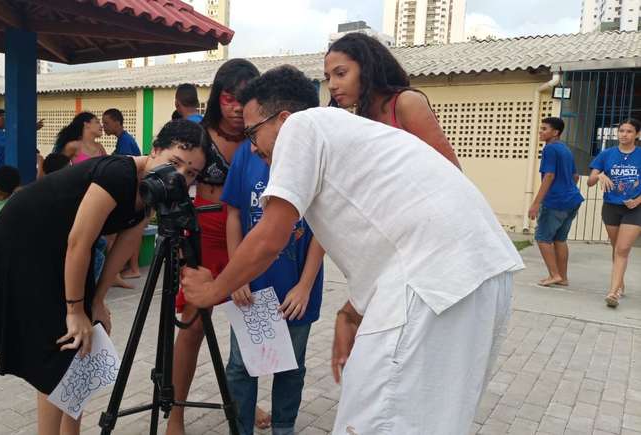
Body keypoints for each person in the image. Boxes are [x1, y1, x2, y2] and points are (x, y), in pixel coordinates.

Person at [181, 65, 525, 435]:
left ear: (282, 119)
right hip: (479, 275)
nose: (251, 147)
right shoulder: (349, 135)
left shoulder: (302, 126)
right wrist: (351, 311)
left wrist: (214, 290)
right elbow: (377, 226)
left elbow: (270, 236)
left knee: (372, 421)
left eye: (252, 132)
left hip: (430, 283)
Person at [0, 119, 206, 435]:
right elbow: (79, 242)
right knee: (59, 350)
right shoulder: (119, 174)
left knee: (86, 341)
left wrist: (97, 301)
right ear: (154, 151)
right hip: (26, 239)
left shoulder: (154, 190)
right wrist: (74, 309)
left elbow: (127, 242)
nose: (180, 177)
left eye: (191, 173)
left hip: (65, 250)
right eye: (175, 163)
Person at [166, 58, 260, 435]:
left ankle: (245, 404)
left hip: (251, 236)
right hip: (203, 237)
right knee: (191, 328)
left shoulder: (261, 133)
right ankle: (176, 413)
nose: (237, 108)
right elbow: (172, 187)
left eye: (244, 99)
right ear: (217, 97)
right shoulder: (197, 135)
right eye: (229, 99)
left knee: (253, 324)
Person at [222, 127, 325, 435]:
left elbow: (323, 227)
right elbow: (234, 215)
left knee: (291, 368)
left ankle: (284, 427)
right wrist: (236, 275)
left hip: (296, 290)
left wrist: (305, 284)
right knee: (241, 368)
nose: (255, 147)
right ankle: (241, 428)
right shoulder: (246, 153)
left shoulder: (311, 155)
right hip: (250, 290)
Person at [324, 33, 461, 169]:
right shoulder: (363, 113)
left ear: (368, 68)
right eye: (328, 77)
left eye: (341, 73)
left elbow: (451, 170)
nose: (331, 85)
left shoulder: (407, 102)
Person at [587, 118, 641, 308]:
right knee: (616, 248)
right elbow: (590, 181)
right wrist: (600, 174)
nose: (624, 134)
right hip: (611, 207)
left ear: (637, 134)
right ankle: (620, 283)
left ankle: (613, 292)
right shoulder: (607, 154)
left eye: (629, 131)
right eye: (621, 131)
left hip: (635, 209)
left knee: (623, 249)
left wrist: (638, 200)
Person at [528, 117, 584, 287]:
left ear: (555, 132)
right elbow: (575, 176)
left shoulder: (550, 149)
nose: (541, 132)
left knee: (543, 238)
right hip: (572, 200)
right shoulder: (566, 149)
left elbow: (549, 176)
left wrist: (536, 203)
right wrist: (566, 190)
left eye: (544, 129)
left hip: (555, 202)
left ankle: (554, 275)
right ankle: (563, 277)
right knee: (560, 239)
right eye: (541, 128)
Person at [102, 108, 142, 280]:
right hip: (132, 189)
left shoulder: (125, 142)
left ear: (117, 122)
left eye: (106, 123)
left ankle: (133, 268)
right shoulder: (122, 140)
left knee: (130, 230)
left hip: (133, 191)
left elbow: (124, 167)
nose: (104, 126)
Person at [0, 108, 43, 181]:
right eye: (2, 116)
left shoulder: (2, 134)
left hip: (0, 173)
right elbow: (16, 142)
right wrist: (31, 129)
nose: (5, 119)